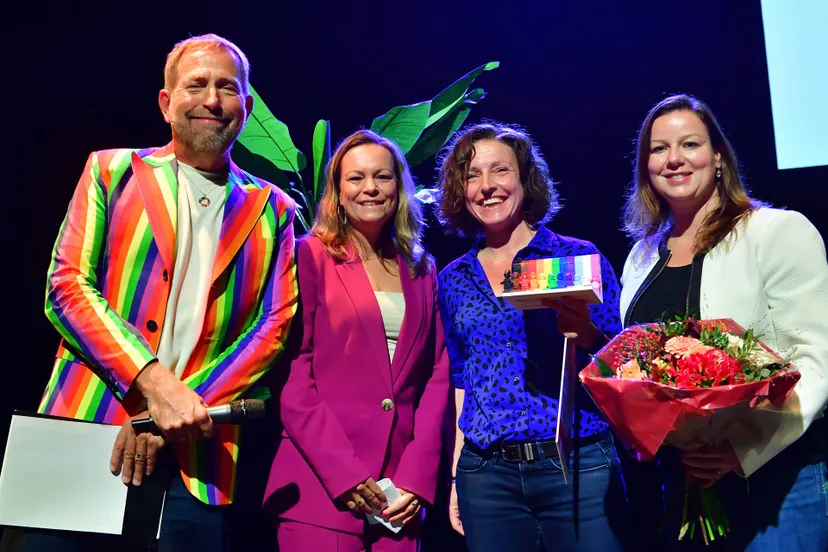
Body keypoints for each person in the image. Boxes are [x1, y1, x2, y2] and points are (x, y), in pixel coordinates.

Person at [7, 34, 298, 551]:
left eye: (227, 88)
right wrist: (156, 389)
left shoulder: (273, 208)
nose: (212, 99)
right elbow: (67, 287)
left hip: (200, 453)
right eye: (196, 84)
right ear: (167, 102)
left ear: (247, 108)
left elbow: (273, 327)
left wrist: (180, 411)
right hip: (85, 429)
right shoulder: (110, 170)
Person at [620, 94, 828, 550]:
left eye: (689, 144)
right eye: (658, 149)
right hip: (683, 479)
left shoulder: (777, 232)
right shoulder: (640, 256)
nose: (674, 159)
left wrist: (740, 451)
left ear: (717, 157)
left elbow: (814, 363)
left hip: (776, 479)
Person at [436, 122, 625, 551]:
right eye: (471, 175)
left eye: (499, 170)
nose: (486, 186)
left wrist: (588, 334)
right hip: (487, 478)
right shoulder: (453, 279)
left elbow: (624, 362)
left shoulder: (576, 256)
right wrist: (454, 476)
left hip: (577, 465)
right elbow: (462, 382)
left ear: (524, 178)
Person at [263, 130, 450, 551]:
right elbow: (294, 374)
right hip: (320, 487)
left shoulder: (421, 268)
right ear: (338, 192)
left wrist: (417, 477)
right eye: (356, 178)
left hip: (397, 499)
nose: (370, 188)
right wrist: (342, 472)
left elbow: (435, 376)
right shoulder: (309, 256)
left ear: (398, 188)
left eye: (382, 177)